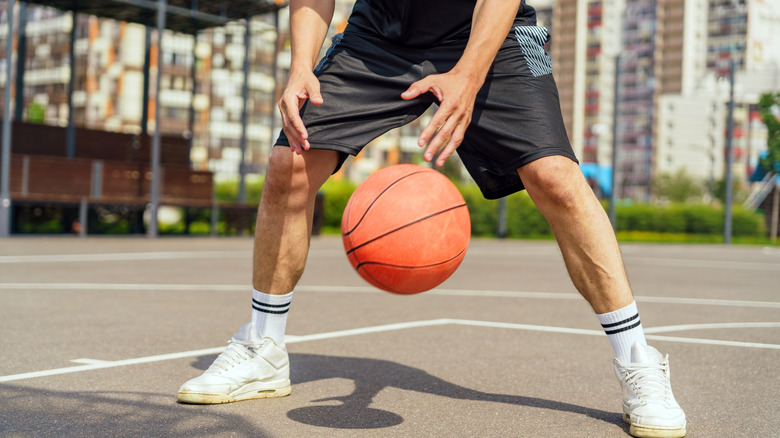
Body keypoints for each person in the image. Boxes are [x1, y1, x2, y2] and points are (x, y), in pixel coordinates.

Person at [177, 1, 687, 437]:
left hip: (493, 32)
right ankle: (262, 347)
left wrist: (468, 75)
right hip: (378, 35)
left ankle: (638, 359)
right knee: (289, 162)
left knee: (555, 176)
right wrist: (301, 67)